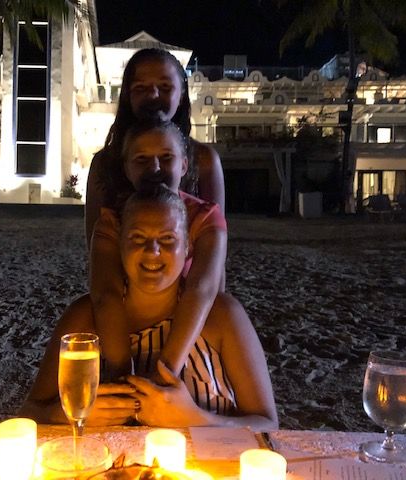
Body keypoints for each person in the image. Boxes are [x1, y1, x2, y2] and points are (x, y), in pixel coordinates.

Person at [20, 186, 278, 429]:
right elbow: (30, 412)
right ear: (120, 245)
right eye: (138, 237)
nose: (152, 250)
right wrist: (70, 413)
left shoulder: (221, 315)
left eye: (167, 238)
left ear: (187, 247)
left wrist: (197, 419)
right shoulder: (85, 317)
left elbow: (267, 423)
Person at [90, 119, 227, 383]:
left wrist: (166, 371)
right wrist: (121, 371)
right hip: (125, 327)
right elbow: (105, 294)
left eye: (166, 158)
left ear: (184, 165)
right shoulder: (111, 222)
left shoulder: (205, 218)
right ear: (127, 168)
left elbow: (202, 290)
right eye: (142, 159)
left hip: (192, 329)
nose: (154, 168)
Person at [85, 47, 225, 247]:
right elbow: (95, 244)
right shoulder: (105, 163)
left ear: (182, 95)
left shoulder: (204, 159)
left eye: (165, 87)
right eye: (140, 87)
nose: (153, 94)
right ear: (128, 95)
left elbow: (215, 241)